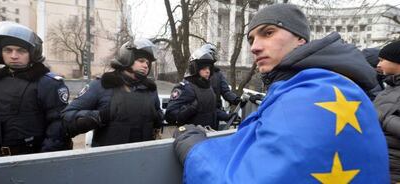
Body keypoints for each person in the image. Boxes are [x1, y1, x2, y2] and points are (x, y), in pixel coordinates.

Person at [172, 4, 389, 183]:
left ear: (300, 39)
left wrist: (195, 151)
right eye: (251, 40)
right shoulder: (327, 85)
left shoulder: (313, 94)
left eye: (268, 33)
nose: (255, 47)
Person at [0, 21, 71, 157]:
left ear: (32, 53)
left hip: (32, 160)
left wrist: (43, 158)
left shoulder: (47, 84)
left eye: (21, 51)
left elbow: (58, 126)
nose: (14, 56)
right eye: (8, 50)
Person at [61, 38, 163, 147]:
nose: (146, 65)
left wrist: (158, 117)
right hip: (109, 159)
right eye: (141, 60)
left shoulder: (150, 89)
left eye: (148, 63)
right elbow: (67, 118)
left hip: (143, 158)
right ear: (127, 58)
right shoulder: (102, 85)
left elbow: (159, 116)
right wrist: (98, 117)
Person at [165, 46, 234, 130]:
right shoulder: (185, 88)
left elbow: (212, 110)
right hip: (191, 138)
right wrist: (191, 109)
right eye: (204, 68)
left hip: (210, 135)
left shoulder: (208, 87)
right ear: (195, 68)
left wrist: (226, 116)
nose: (208, 71)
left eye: (209, 68)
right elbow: (170, 116)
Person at [373, 40, 400, 183]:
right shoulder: (390, 87)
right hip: (382, 163)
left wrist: (385, 119)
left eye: (382, 60)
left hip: (395, 170)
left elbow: (381, 117)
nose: (378, 65)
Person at [202, 44, 241, 109]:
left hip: (216, 110)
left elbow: (225, 91)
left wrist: (236, 99)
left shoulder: (218, 74)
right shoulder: (195, 72)